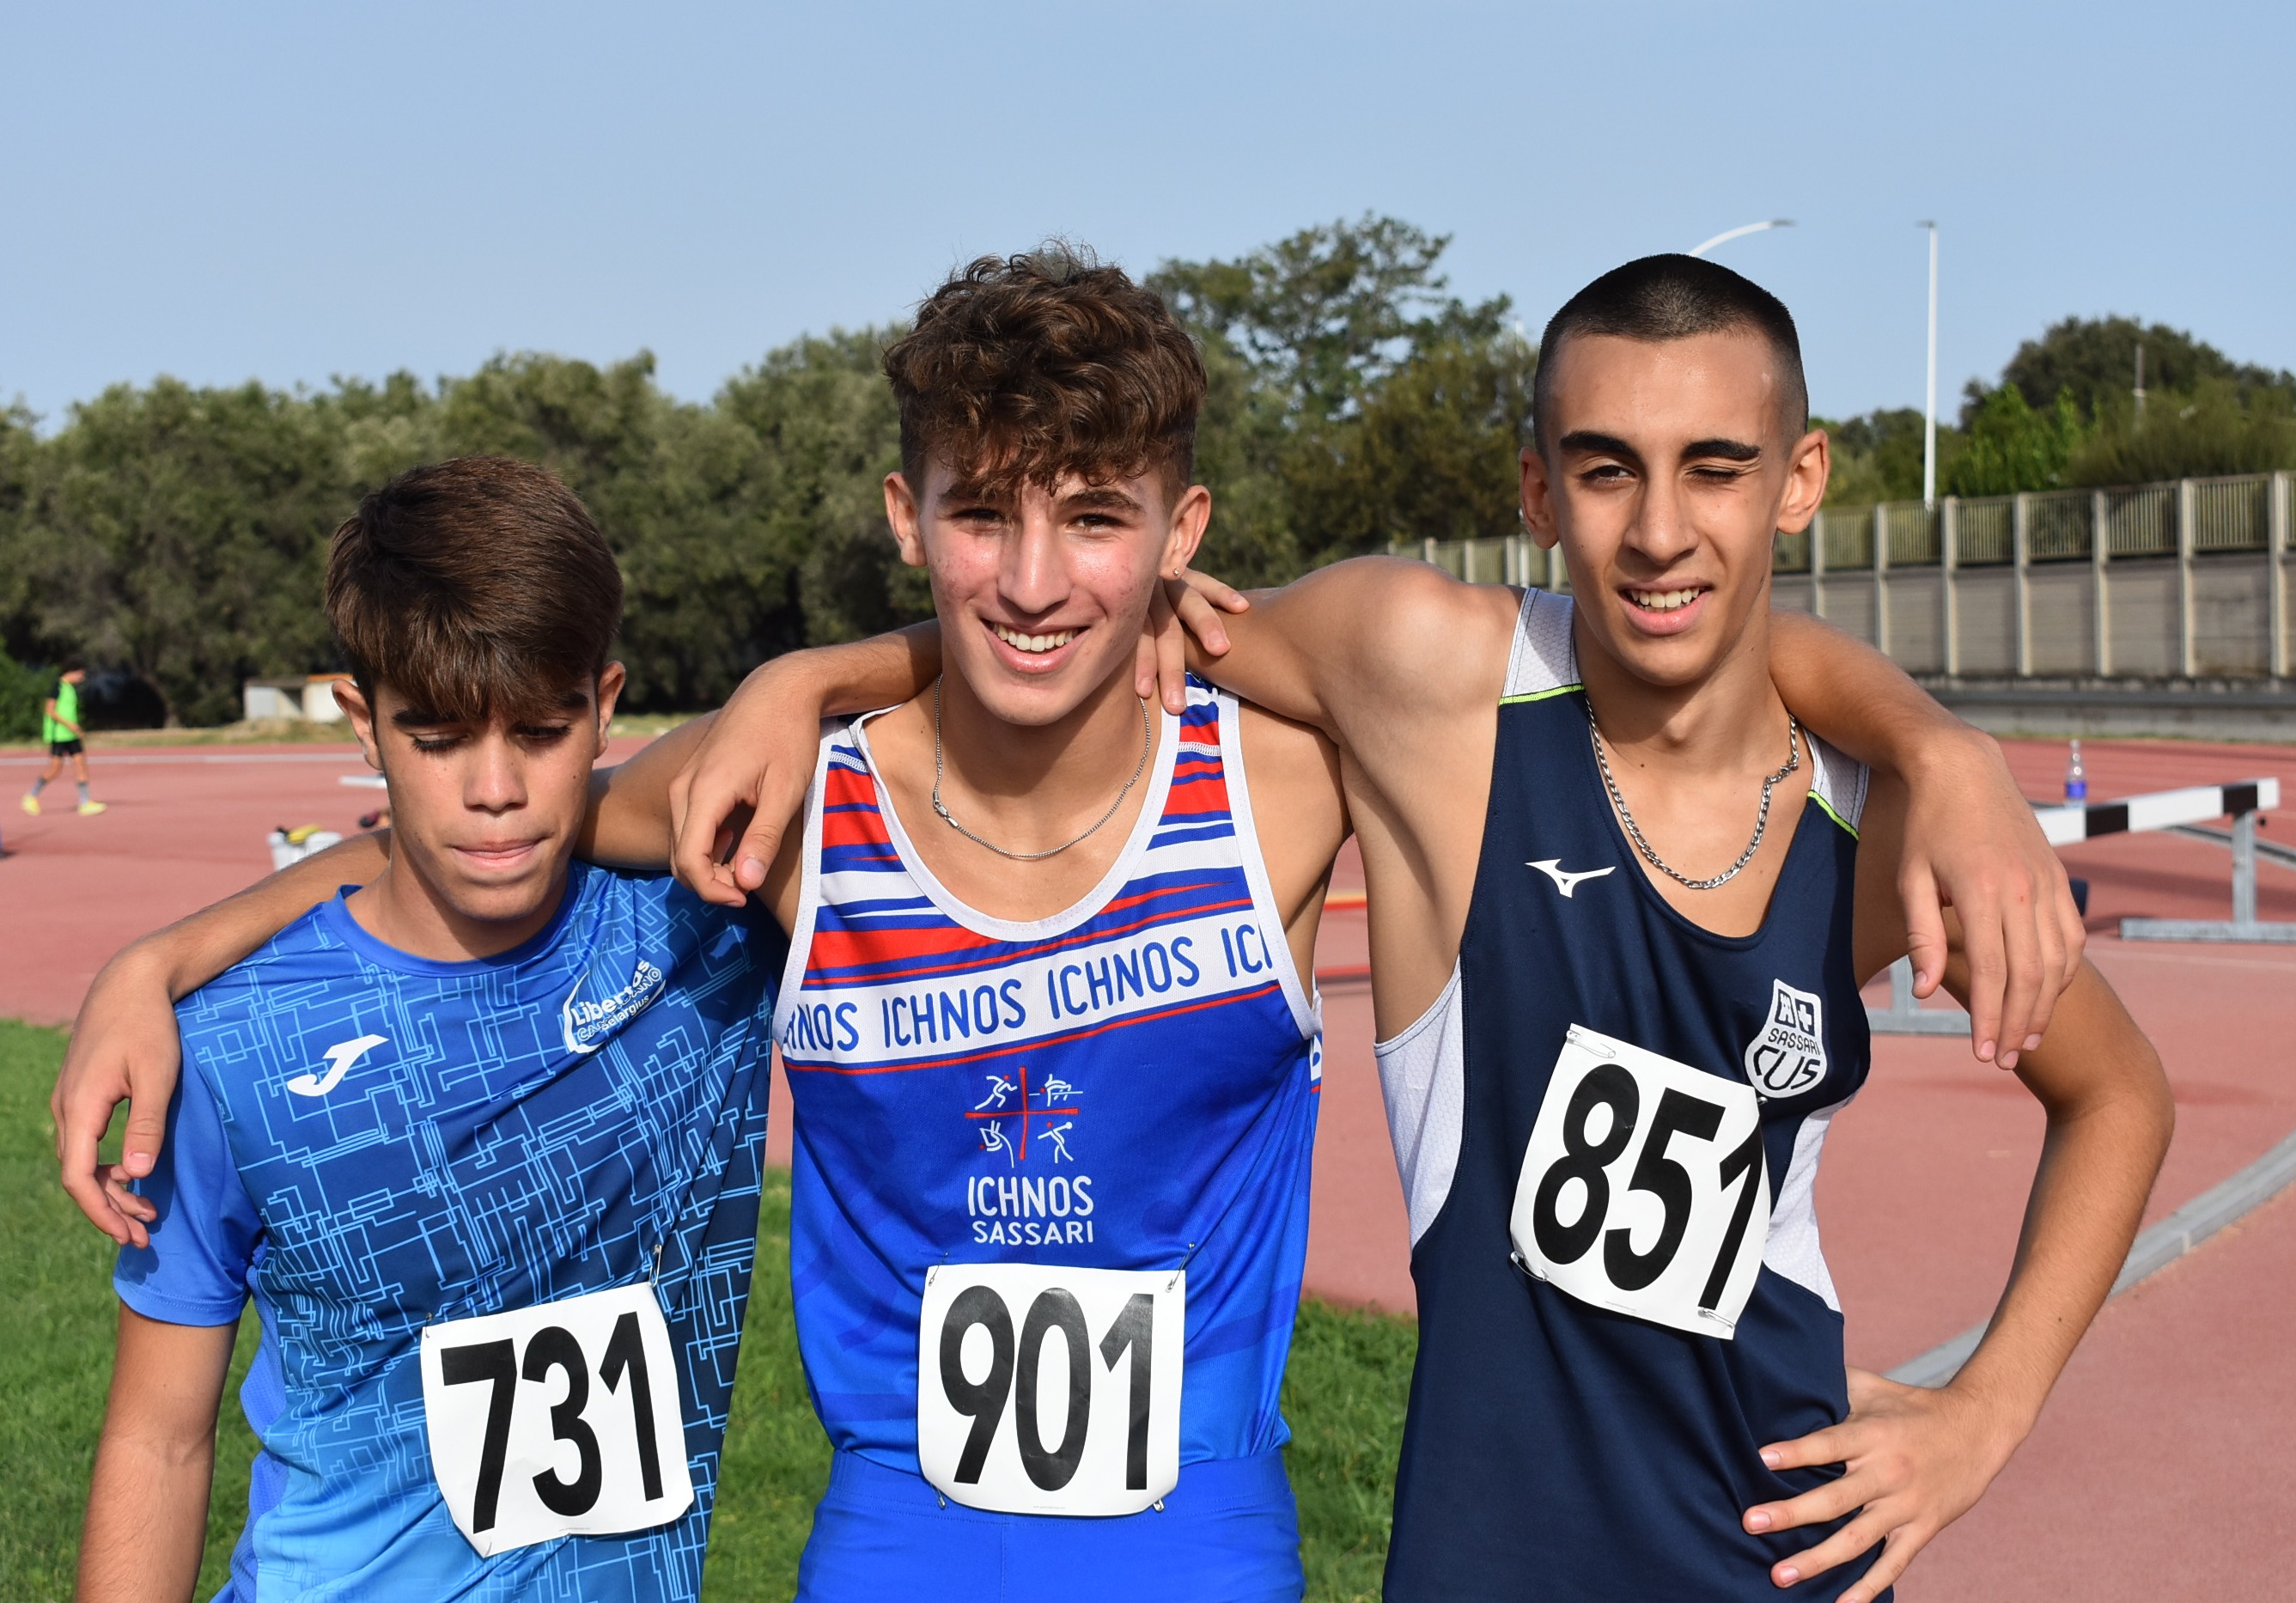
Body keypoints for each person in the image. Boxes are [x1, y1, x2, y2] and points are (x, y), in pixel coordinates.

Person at [58, 253, 2082, 1600]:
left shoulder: (1283, 774)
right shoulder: (790, 797)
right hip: (890, 1561)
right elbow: (486, 823)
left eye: (1095, 519)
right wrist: (170, 956)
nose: (1034, 576)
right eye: (983, 515)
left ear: (1177, 538)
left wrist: (1936, 742)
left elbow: (1661, 653)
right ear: (908, 519)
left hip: (1204, 1559)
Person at [1145, 256, 2165, 1600]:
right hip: (1488, 1564)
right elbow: (1088, 636)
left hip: (1786, 1554)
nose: (1660, 530)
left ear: (1799, 479)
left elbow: (2120, 1093)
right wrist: (842, 674)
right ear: (1538, 491)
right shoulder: (1432, 680)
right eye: (1607, 469)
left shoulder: (1882, 824)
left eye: (1715, 469)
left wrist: (1984, 1414)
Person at [77, 458, 789, 1601]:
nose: (494, 789)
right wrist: (151, 962)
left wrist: (800, 676)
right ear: (363, 723)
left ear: (605, 704)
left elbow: (963, 680)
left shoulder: (700, 924)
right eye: (439, 737)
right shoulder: (223, 1046)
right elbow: (157, 1439)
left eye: (543, 730)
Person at [23, 656, 105, 815]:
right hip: (59, 736)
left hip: (71, 735)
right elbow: (50, 710)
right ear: (72, 672)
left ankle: (85, 802)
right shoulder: (58, 687)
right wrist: (69, 725)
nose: (82, 678)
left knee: (81, 764)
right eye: (81, 674)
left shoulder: (70, 688)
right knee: (55, 769)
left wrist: (75, 728)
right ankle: (31, 796)